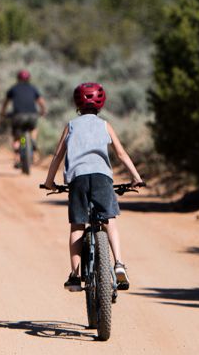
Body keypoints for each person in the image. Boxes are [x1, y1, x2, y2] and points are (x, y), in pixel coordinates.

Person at [41, 82, 143, 292]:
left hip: (78, 179)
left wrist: (49, 181)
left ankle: (75, 274)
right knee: (109, 220)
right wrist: (136, 178)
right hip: (101, 177)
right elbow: (121, 154)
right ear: (101, 103)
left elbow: (58, 156)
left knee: (78, 225)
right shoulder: (105, 125)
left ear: (77, 103)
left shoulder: (71, 126)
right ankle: (119, 264)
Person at [0, 69, 47, 168]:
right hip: (31, 116)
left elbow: (5, 103)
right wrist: (43, 111)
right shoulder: (33, 88)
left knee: (18, 138)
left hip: (18, 117)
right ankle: (32, 143)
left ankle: (17, 157)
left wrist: (3, 113)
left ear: (18, 78)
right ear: (29, 79)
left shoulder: (13, 89)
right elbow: (41, 102)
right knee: (33, 129)